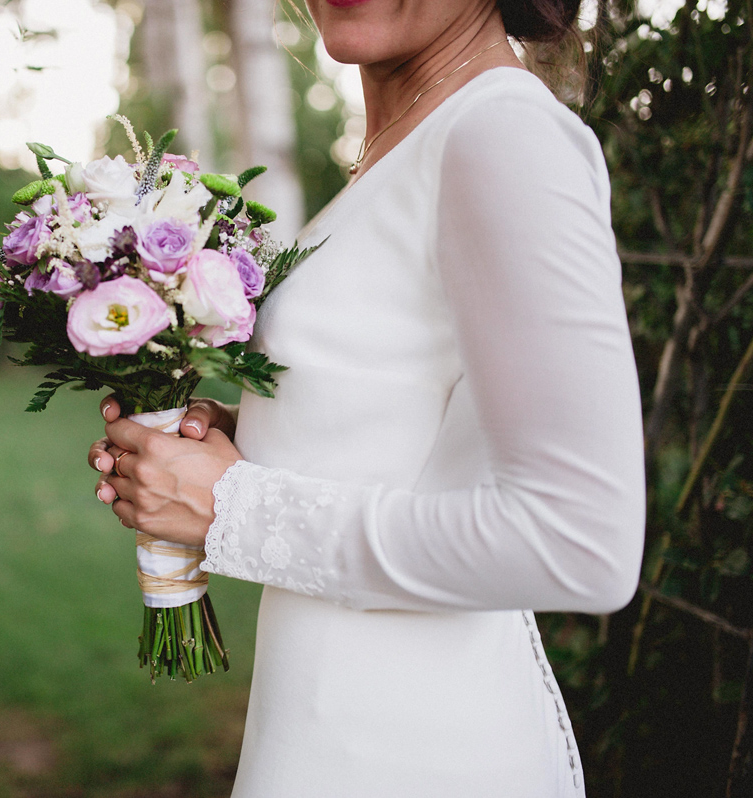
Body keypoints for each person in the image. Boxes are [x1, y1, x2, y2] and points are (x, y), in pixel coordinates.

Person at [87, 0, 646, 792]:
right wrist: (239, 436)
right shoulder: (414, 136)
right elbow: (418, 426)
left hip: (413, 751)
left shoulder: (503, 137)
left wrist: (233, 508)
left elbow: (580, 542)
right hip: (325, 726)